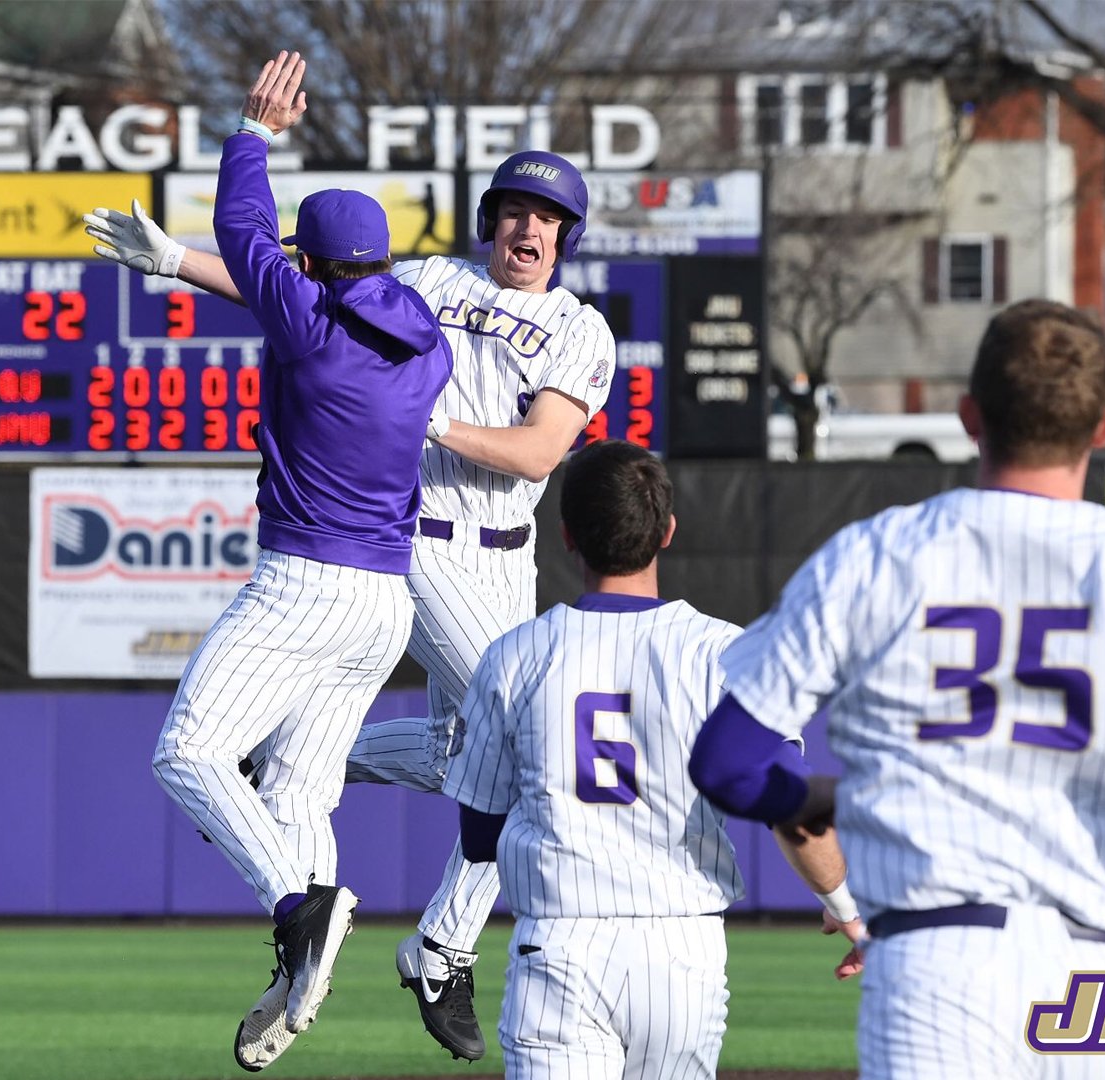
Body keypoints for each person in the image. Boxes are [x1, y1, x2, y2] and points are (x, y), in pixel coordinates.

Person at [90, 130, 613, 1069]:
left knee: (460, 755)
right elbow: (299, 289)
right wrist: (176, 263)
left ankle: (298, 814)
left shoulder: (579, 327)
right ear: (491, 218)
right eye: (514, 210)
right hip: (407, 537)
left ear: (565, 235)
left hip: (499, 555)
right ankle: (444, 947)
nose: (526, 227)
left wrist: (426, 416)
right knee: (529, 744)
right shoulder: (432, 286)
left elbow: (540, 453)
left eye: (547, 217)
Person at [687, 299, 1105, 1080]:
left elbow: (726, 761)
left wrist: (806, 796)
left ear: (969, 416)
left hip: (932, 964)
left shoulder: (875, 555)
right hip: (1100, 981)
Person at [146, 52, 451, 1072]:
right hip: (384, 606)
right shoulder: (426, 340)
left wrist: (252, 129)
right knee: (297, 798)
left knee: (187, 752)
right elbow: (279, 268)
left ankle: (300, 907)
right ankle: (299, 974)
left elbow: (242, 237)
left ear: (313, 267)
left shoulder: (312, 325)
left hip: (305, 588)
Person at [444, 439, 861, 1080]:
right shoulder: (725, 653)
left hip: (558, 943)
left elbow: (478, 837)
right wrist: (844, 906)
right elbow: (791, 804)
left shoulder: (513, 656)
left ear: (566, 536)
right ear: (667, 531)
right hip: (679, 947)